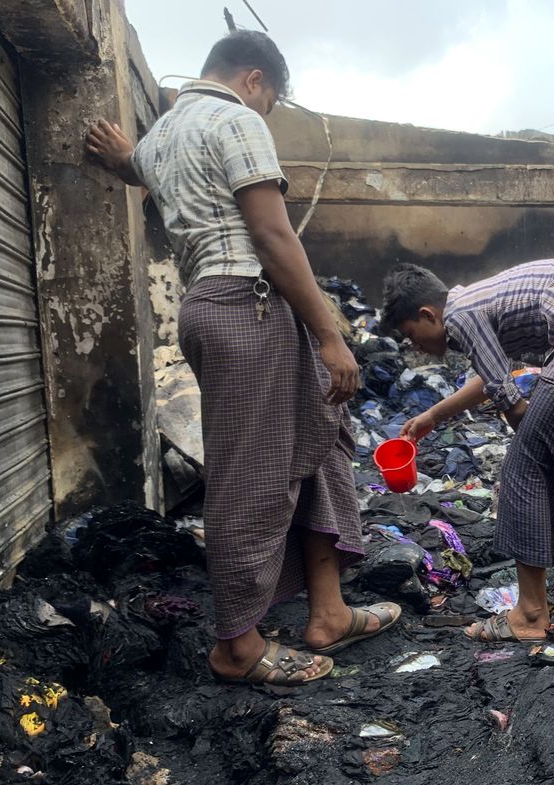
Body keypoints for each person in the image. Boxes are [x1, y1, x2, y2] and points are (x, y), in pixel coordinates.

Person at [85, 30, 399, 686]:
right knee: (251, 475)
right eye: (270, 106)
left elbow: (137, 166)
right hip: (246, 308)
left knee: (326, 440)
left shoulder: (165, 135)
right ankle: (237, 645)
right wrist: (331, 335)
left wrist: (122, 156)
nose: (266, 118)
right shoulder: (234, 119)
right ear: (255, 79)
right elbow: (271, 233)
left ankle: (328, 612)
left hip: (218, 308)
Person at [382, 259, 554, 642]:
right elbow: (492, 373)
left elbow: (510, 401)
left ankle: (529, 613)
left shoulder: (461, 313)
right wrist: (436, 414)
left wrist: (538, 442)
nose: (417, 346)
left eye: (412, 334)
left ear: (428, 314)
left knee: (524, 469)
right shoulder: (479, 302)